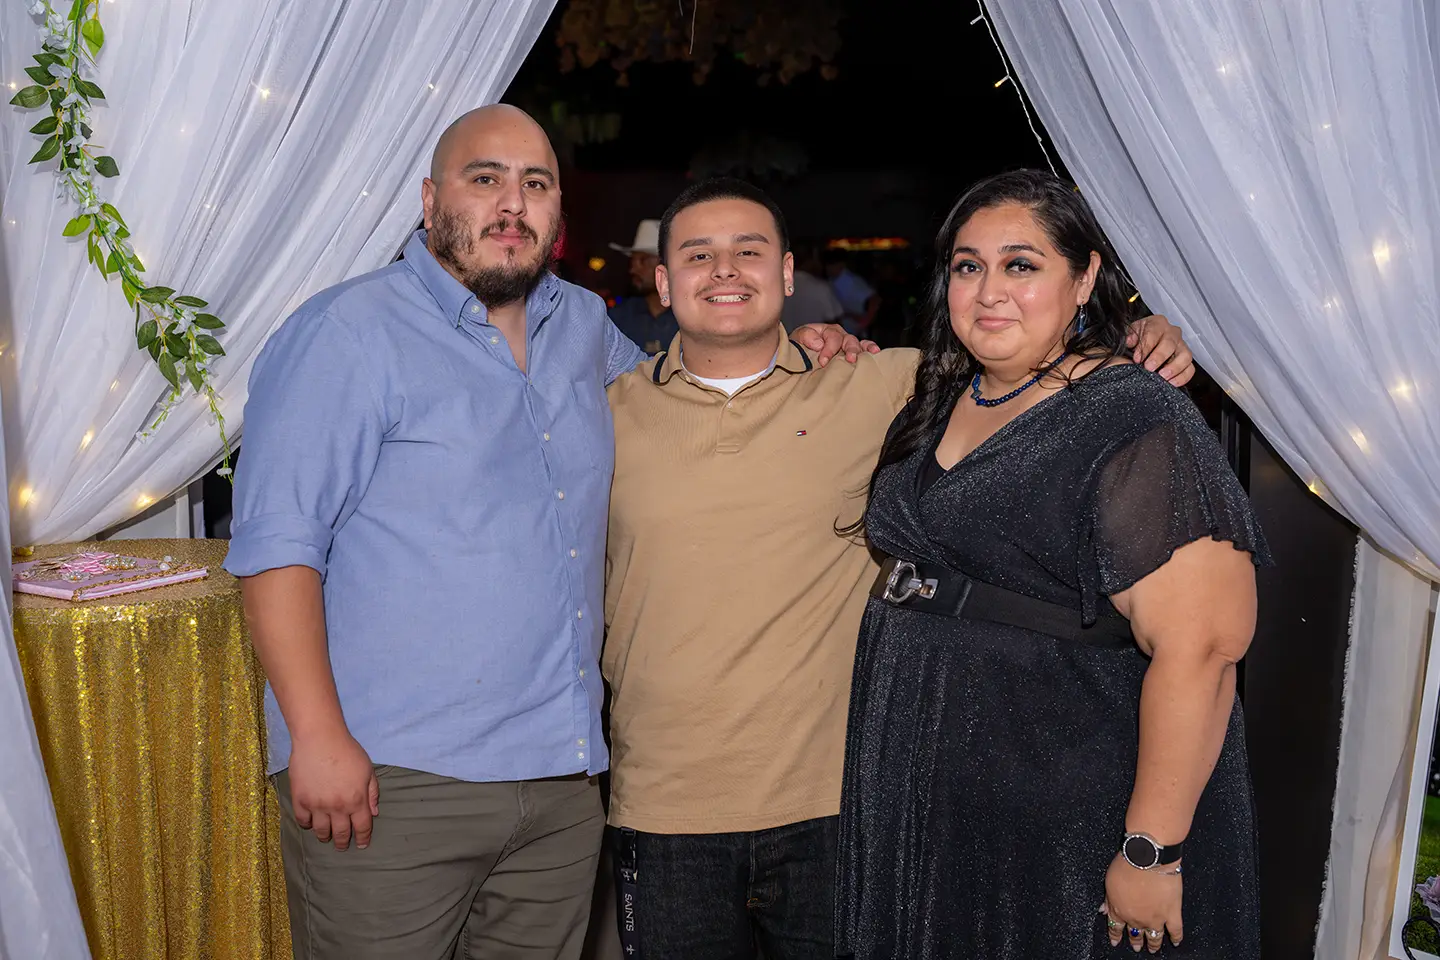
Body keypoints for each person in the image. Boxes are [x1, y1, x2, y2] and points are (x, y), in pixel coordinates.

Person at [223, 106, 862, 960]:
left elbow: (689, 399)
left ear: (559, 209)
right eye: (484, 178)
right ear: (429, 200)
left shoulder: (583, 325)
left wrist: (797, 345)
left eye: (535, 183)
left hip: (563, 784)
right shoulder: (346, 333)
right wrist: (317, 737)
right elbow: (277, 549)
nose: (511, 203)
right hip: (393, 780)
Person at [601, 177, 1195, 959]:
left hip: (840, 804)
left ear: (788, 274)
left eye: (749, 251)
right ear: (662, 279)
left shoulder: (884, 384)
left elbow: (1026, 360)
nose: (725, 271)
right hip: (662, 807)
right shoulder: (600, 415)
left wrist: (1139, 336)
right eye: (698, 254)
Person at [835, 170, 1268, 959]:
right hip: (932, 792)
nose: (989, 291)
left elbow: (1204, 650)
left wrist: (1151, 850)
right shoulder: (944, 392)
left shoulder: (1135, 415)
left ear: (1085, 277)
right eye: (968, 266)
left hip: (1065, 798)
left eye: (1021, 265)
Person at [607, 219, 678, 354]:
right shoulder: (619, 317)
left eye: (643, 260)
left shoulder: (692, 316)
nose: (633, 270)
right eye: (632, 261)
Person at [781, 242, 845, 332]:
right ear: (812, 259)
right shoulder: (820, 288)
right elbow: (835, 325)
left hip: (783, 339)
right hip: (815, 340)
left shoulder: (776, 287)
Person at [824, 250, 880, 334]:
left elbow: (874, 299)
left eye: (831, 265)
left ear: (841, 264)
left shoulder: (852, 281)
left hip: (854, 331)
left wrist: (865, 322)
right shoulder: (830, 281)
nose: (828, 268)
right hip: (840, 330)